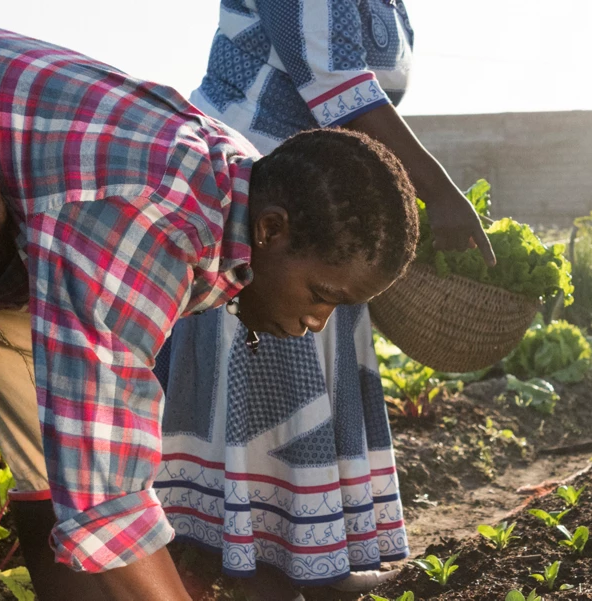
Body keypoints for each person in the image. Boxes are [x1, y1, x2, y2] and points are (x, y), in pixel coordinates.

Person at [0, 22, 421, 601]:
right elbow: (111, 498)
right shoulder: (146, 228)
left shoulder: (241, 183)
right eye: (323, 297)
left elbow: (89, 445)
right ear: (270, 231)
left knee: (49, 424)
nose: (315, 324)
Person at [151, 2, 492, 599]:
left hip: (331, 223)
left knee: (301, 387)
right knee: (263, 397)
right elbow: (332, 75)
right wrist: (435, 190)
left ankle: (304, 559)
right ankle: (254, 570)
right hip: (264, 211)